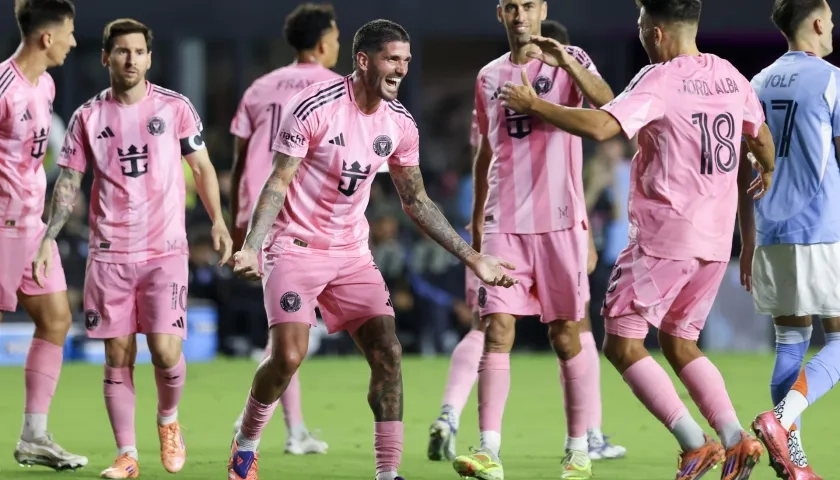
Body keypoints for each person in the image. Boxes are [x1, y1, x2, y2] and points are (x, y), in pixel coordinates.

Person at [497, 0, 779, 478]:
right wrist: (766, 170)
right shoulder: (731, 76)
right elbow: (762, 143)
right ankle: (735, 439)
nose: (641, 33)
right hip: (714, 241)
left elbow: (606, 125)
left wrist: (536, 105)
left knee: (622, 343)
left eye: (641, 24)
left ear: (657, 32)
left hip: (665, 235)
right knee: (679, 341)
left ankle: (694, 443)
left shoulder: (659, 78)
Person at [227, 18, 517, 480]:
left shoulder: (400, 124)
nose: (401, 68)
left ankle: (387, 474)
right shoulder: (315, 108)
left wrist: (474, 256)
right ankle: (246, 442)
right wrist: (251, 246)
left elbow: (417, 201)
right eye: (391, 59)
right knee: (287, 356)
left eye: (405, 59)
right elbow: (277, 181)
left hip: (351, 253)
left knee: (388, 351)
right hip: (296, 247)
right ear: (363, 60)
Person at [35, 18, 232, 479]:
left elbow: (201, 168)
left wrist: (219, 221)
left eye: (138, 52)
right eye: (121, 51)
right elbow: (68, 183)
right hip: (109, 256)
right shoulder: (88, 117)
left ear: (149, 57)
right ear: (105, 58)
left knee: (165, 351)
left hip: (165, 250)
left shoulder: (175, 108)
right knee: (117, 356)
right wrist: (48, 236)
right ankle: (126, 454)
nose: (130, 59)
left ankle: (167, 421)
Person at [429, 18, 625, 466]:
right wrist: (478, 226)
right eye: (513, 5)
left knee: (565, 335)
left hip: (559, 224)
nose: (521, 14)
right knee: (496, 329)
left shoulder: (572, 63)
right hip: (505, 223)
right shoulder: (488, 75)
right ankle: (488, 450)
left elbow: (613, 109)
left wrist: (565, 70)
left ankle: (578, 450)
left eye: (529, 4)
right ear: (500, 12)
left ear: (542, 10)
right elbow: (485, 153)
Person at [228, 2, 341, 456]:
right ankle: (261, 423)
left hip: (258, 214)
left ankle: (293, 430)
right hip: (304, 217)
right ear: (322, 44)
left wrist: (239, 221)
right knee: (294, 335)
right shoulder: (338, 89)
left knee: (293, 330)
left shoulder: (260, 86)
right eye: (335, 39)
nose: (337, 46)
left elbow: (239, 159)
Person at [749, 1, 838, 478]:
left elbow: (748, 166)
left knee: (791, 340)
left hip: (771, 229)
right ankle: (779, 421)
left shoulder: (757, 83)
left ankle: (796, 463)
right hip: (824, 228)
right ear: (819, 22)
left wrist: (747, 241)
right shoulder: (830, 78)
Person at [1, 0, 87, 471]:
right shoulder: (3, 86)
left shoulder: (47, 85)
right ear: (47, 38)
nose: (75, 42)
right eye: (70, 34)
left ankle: (34, 435)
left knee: (56, 319)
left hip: (32, 230)